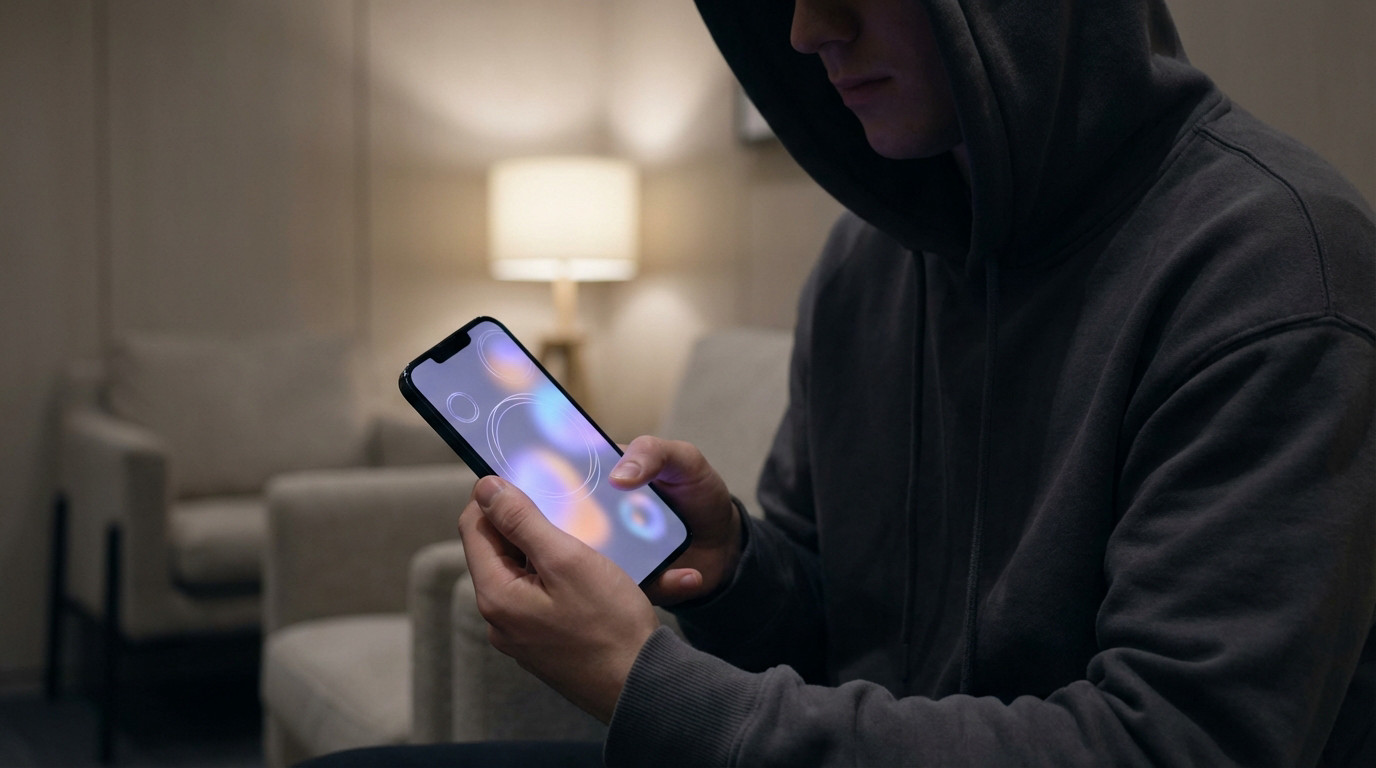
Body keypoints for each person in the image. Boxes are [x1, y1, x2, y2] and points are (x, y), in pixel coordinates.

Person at [307, 0, 1374, 765]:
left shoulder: (1274, 272)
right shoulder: (864, 262)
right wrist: (732, 564)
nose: (806, 29)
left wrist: (648, 685)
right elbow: (832, 618)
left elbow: (1174, 742)